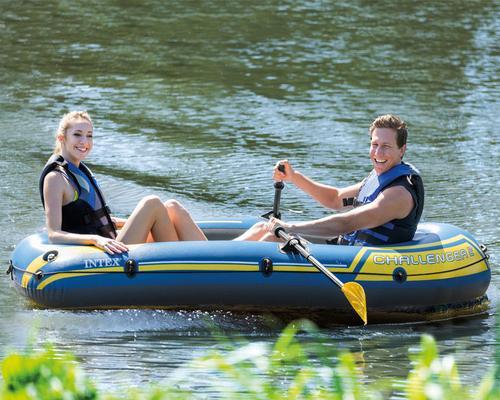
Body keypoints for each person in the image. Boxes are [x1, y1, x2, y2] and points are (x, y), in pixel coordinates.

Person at [235, 114, 424, 245]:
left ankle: (217, 278)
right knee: (262, 227)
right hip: (346, 251)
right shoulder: (378, 178)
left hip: (362, 267)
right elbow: (335, 198)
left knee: (274, 237)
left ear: (402, 149)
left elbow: (347, 223)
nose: (378, 153)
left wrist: (290, 227)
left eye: (386, 146)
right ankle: (209, 258)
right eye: (374, 144)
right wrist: (294, 177)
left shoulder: (399, 194)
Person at [40, 111, 207, 255]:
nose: (85, 141)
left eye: (89, 135)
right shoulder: (56, 178)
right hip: (101, 254)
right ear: (62, 138)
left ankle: (213, 260)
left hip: (113, 243)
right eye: (77, 134)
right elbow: (54, 234)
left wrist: (134, 222)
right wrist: (96, 240)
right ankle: (189, 269)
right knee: (152, 203)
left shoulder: (79, 173)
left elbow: (95, 218)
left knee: (171, 207)